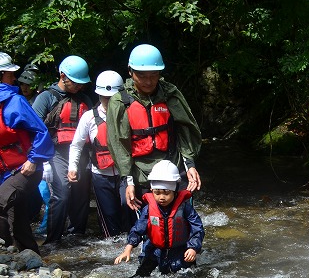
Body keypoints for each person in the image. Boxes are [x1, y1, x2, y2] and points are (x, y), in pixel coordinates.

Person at [106, 44, 202, 211]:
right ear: (130, 71)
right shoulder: (119, 101)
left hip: (172, 165)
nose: (148, 82)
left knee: (181, 217)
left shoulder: (171, 94)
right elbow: (119, 145)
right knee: (138, 216)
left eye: (154, 75)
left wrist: (190, 164)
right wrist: (128, 180)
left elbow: (185, 130)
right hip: (139, 171)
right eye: (142, 76)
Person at [31, 55, 94, 244]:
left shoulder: (84, 99)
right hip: (56, 152)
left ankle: (77, 236)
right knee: (61, 195)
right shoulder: (46, 97)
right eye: (75, 83)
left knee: (81, 195)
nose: (79, 87)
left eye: (81, 84)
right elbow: (33, 127)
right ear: (62, 75)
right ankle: (53, 240)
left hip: (81, 152)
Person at [68, 71, 133, 237]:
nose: (109, 101)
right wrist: (72, 167)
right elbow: (76, 145)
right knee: (109, 216)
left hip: (125, 174)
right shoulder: (89, 117)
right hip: (100, 175)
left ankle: (132, 241)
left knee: (128, 205)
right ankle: (114, 247)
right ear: (98, 95)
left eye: (112, 97)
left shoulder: (129, 113)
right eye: (105, 97)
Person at [0, 56, 54, 253]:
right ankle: (29, 257)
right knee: (18, 220)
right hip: (3, 171)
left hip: (25, 169)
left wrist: (34, 159)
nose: (14, 79)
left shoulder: (15, 102)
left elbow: (41, 132)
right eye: (10, 74)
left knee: (1, 202)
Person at [114, 160, 203, 277]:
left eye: (166, 193)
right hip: (154, 251)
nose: (162, 197)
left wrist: (193, 248)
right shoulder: (149, 209)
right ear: (152, 191)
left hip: (181, 251)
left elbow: (197, 228)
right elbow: (138, 229)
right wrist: (128, 248)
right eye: (157, 193)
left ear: (175, 191)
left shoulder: (185, 208)